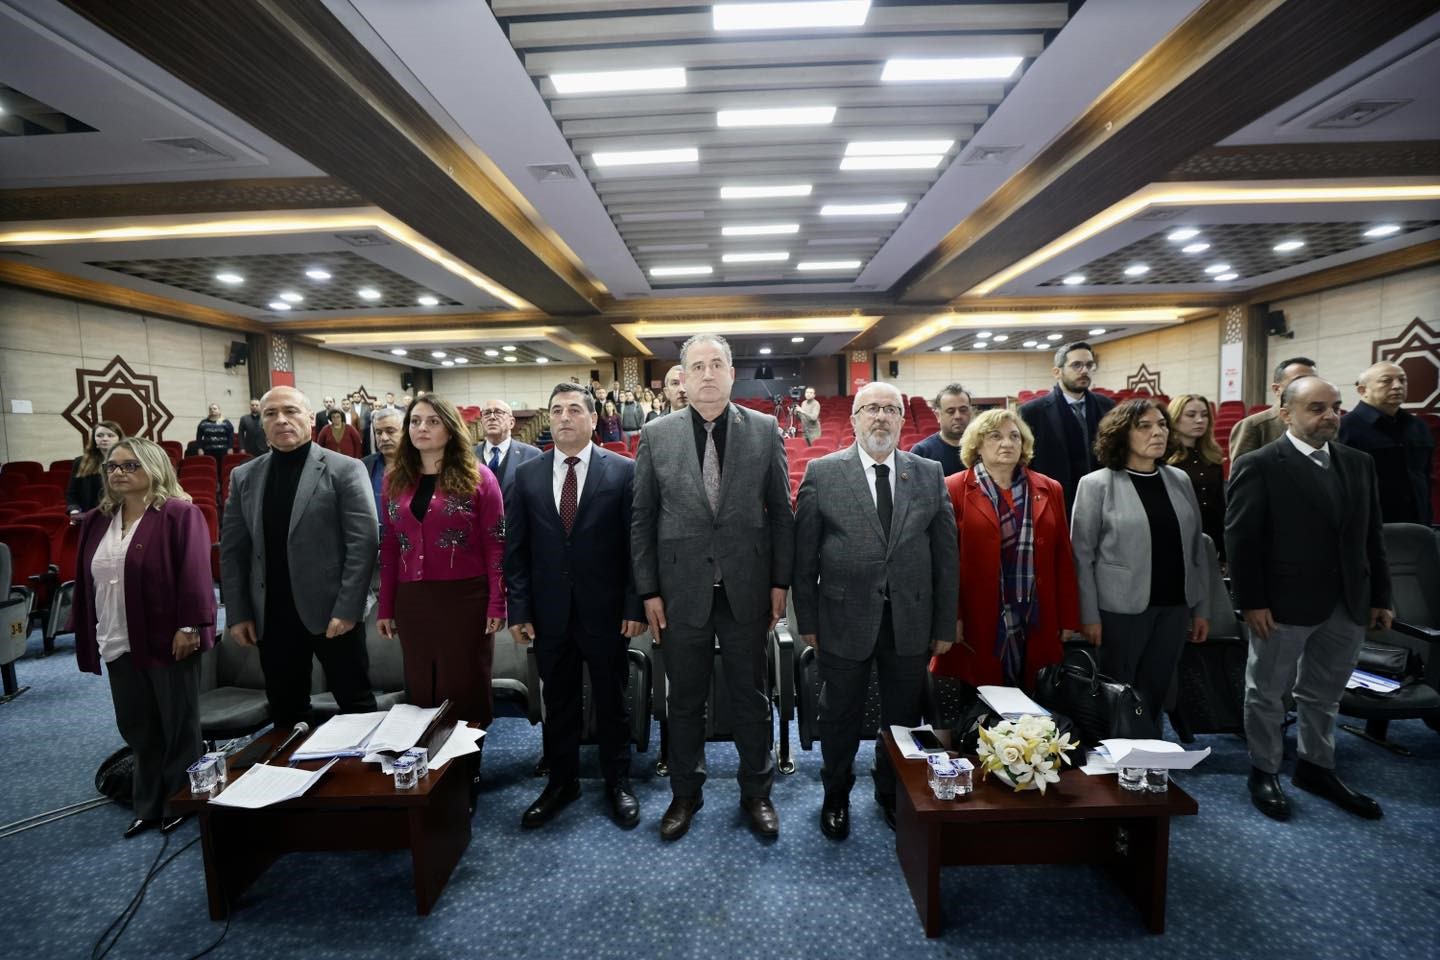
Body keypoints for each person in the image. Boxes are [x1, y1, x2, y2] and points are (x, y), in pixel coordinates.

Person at [632, 333, 793, 841]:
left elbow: (781, 514)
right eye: (697, 366)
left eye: (716, 364)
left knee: (751, 695)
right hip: (680, 591)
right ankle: (685, 793)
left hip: (748, 587)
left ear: (731, 373)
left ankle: (757, 792)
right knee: (684, 699)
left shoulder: (764, 429)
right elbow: (642, 519)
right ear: (682, 377)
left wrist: (780, 582)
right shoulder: (656, 434)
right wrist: (649, 590)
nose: (707, 374)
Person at [792, 382, 958, 839]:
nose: (880, 416)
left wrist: (944, 623)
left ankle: (890, 789)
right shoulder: (823, 473)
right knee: (839, 714)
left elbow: (946, 557)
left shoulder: (928, 473)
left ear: (902, 419)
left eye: (890, 409)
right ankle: (836, 792)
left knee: (902, 717)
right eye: (871, 409)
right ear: (854, 419)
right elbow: (804, 559)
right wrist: (807, 620)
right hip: (842, 619)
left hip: (911, 620)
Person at [1227, 376, 1392, 821]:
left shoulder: (1358, 463)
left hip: (1348, 600)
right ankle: (1265, 770)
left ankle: (1316, 767)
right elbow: (1241, 540)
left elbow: (1371, 536)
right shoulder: (1260, 463)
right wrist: (1251, 602)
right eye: (1317, 408)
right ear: (1286, 414)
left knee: (1324, 694)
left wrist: (1380, 595)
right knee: (1267, 693)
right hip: (1282, 603)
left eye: (1335, 407)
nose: (1330, 416)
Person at [505, 383, 647, 830]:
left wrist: (634, 605)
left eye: (573, 410)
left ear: (592, 418)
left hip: (606, 611)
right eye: (556, 410)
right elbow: (516, 550)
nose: (563, 417)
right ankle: (561, 781)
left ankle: (617, 781)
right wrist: (519, 610)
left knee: (611, 700)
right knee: (559, 701)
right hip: (549, 613)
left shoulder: (623, 471)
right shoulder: (526, 475)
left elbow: (635, 547)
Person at [72, 437, 214, 838]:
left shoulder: (178, 514)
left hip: (168, 638)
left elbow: (195, 575)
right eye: (112, 466)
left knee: (178, 725)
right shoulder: (97, 520)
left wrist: (190, 626)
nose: (118, 472)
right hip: (117, 636)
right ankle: (148, 803)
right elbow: (87, 581)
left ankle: (182, 799)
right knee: (138, 726)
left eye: (130, 465)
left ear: (154, 467)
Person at [220, 387, 379, 728]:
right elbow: (233, 551)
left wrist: (348, 608)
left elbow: (363, 544)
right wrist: (238, 612)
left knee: (355, 703)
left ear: (309, 418)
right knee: (287, 710)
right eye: (271, 413)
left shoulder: (345, 469)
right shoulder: (244, 476)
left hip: (333, 611)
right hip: (271, 614)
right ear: (262, 423)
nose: (281, 420)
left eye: (290, 411)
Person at [1070, 398, 1210, 734]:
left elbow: (1197, 547)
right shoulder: (1096, 484)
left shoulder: (1179, 479)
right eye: (1144, 426)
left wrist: (1201, 608)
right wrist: (1088, 615)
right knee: (1119, 690)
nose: (1157, 432)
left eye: (1161, 424)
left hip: (1175, 604)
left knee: (1157, 687)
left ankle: (1151, 753)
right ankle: (1118, 755)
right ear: (1122, 434)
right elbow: (1082, 555)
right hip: (1120, 608)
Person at [377, 396, 506, 731]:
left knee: (464, 684)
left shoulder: (479, 477)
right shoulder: (395, 480)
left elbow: (495, 544)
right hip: (413, 600)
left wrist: (497, 603)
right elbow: (389, 547)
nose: (422, 428)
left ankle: (467, 758)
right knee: (421, 685)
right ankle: (426, 758)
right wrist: (385, 607)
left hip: (465, 599)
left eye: (433, 421)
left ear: (450, 429)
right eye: (415, 421)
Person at [931, 409, 1079, 692]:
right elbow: (943, 562)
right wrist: (951, 617)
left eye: (1014, 436)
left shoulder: (1050, 488)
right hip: (976, 615)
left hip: (1037, 614)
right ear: (977, 445)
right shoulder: (952, 488)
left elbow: (1063, 557)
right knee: (981, 696)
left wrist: (1068, 617)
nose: (1007, 443)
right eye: (995, 436)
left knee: (1035, 693)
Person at [1020, 342, 1116, 515]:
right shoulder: (1032, 412)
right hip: (1054, 502)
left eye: (1089, 365)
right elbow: (1026, 462)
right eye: (1076, 365)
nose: (1084, 370)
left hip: (1103, 499)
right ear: (1057, 372)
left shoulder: (1108, 407)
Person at [1339, 361, 1433, 525]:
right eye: (1386, 381)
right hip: (1369, 525)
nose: (1397, 386)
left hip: (1418, 523)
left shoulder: (1418, 425)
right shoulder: (1343, 427)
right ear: (1362, 390)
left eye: (1402, 380)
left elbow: (1425, 475)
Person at [1167, 394, 1227, 562]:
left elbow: (1219, 505)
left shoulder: (1212, 457)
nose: (1200, 420)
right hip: (1176, 537)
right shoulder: (1164, 458)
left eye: (1204, 415)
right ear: (1175, 419)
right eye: (1191, 415)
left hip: (1210, 537)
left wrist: (1223, 548)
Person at [1228, 356, 1317, 461]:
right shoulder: (1254, 426)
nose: (1308, 387)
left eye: (1313, 382)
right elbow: (1243, 469)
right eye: (1298, 381)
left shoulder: (1323, 422)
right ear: (1276, 389)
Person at [473, 399, 541, 495]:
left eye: (498, 412)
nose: (492, 417)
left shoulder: (532, 455)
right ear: (481, 423)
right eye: (487, 413)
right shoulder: (468, 456)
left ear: (511, 422)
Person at [910, 383, 974, 477]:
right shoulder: (921, 452)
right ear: (938, 415)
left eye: (963, 410)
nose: (958, 416)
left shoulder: (982, 447)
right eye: (951, 411)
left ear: (970, 412)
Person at [66, 420, 125, 519]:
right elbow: (72, 493)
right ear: (94, 439)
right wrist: (74, 510)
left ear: (119, 439)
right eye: (99, 435)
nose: (105, 439)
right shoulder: (81, 462)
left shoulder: (129, 462)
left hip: (121, 514)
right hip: (90, 515)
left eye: (110, 435)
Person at [361, 407, 404, 522]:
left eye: (390, 431)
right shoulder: (363, 466)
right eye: (378, 432)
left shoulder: (421, 465)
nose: (384, 438)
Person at [196, 402, 234, 468]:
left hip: (223, 451)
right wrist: (200, 448)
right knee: (210, 468)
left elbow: (231, 436)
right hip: (208, 451)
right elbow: (199, 437)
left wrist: (230, 448)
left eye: (214, 408)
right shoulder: (203, 423)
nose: (212, 410)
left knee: (222, 468)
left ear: (219, 410)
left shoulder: (226, 422)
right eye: (210, 409)